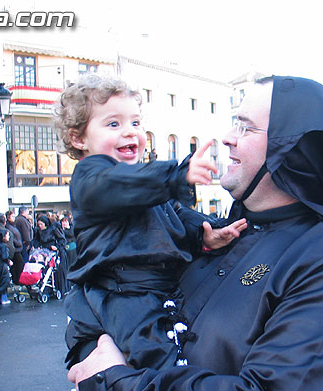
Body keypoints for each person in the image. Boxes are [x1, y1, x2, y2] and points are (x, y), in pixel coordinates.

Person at [67, 75, 323, 391]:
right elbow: (109, 303)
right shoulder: (226, 234)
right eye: (233, 123)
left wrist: (115, 389)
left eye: (245, 126)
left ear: (291, 147)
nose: (227, 137)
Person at [54, 74, 245, 371]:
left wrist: (206, 233)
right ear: (79, 138)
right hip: (122, 294)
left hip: (159, 291)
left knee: (188, 345)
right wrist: (176, 174)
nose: (130, 132)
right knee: (158, 360)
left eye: (135, 123)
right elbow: (118, 184)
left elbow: (176, 215)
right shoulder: (92, 177)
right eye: (113, 124)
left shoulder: (143, 182)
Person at [5, 211, 24, 284]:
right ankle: (17, 280)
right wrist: (18, 243)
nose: (14, 218)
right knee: (19, 264)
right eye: (12, 216)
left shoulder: (13, 226)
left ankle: (17, 279)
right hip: (15, 249)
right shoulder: (9, 227)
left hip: (18, 248)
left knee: (18, 265)